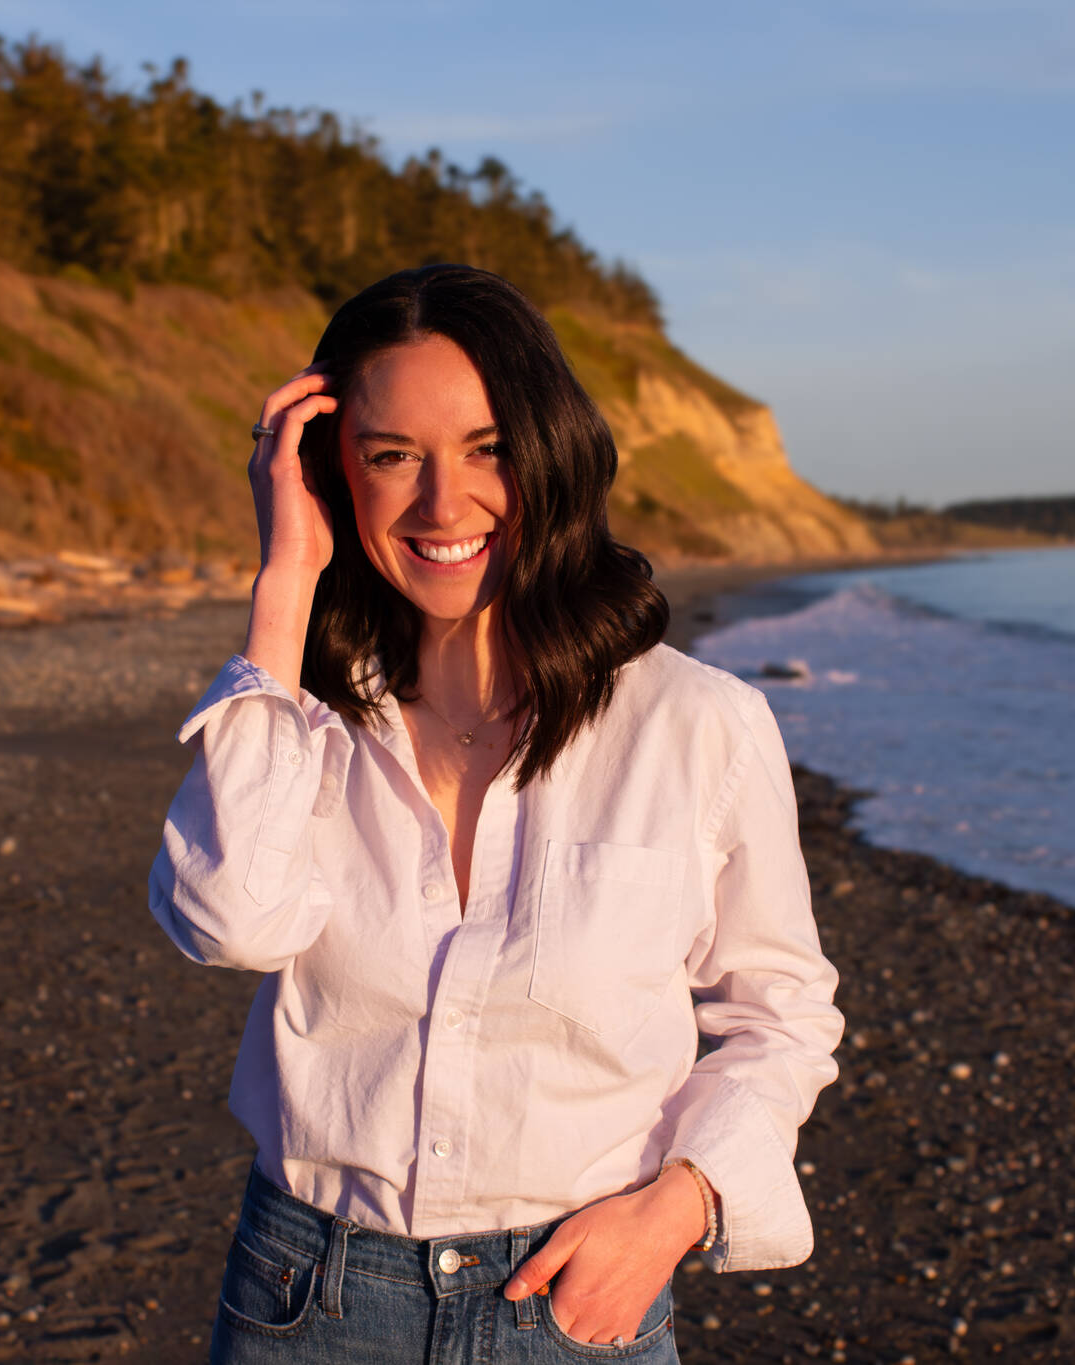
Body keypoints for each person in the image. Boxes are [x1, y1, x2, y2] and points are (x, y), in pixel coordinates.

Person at [148, 264, 842, 1362]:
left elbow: (781, 1015)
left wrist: (677, 1211)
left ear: (550, 455)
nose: (440, 503)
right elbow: (230, 922)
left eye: (486, 449)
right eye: (390, 457)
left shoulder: (695, 725)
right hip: (311, 1300)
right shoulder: (299, 722)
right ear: (335, 475)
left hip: (574, 1302)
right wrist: (284, 583)